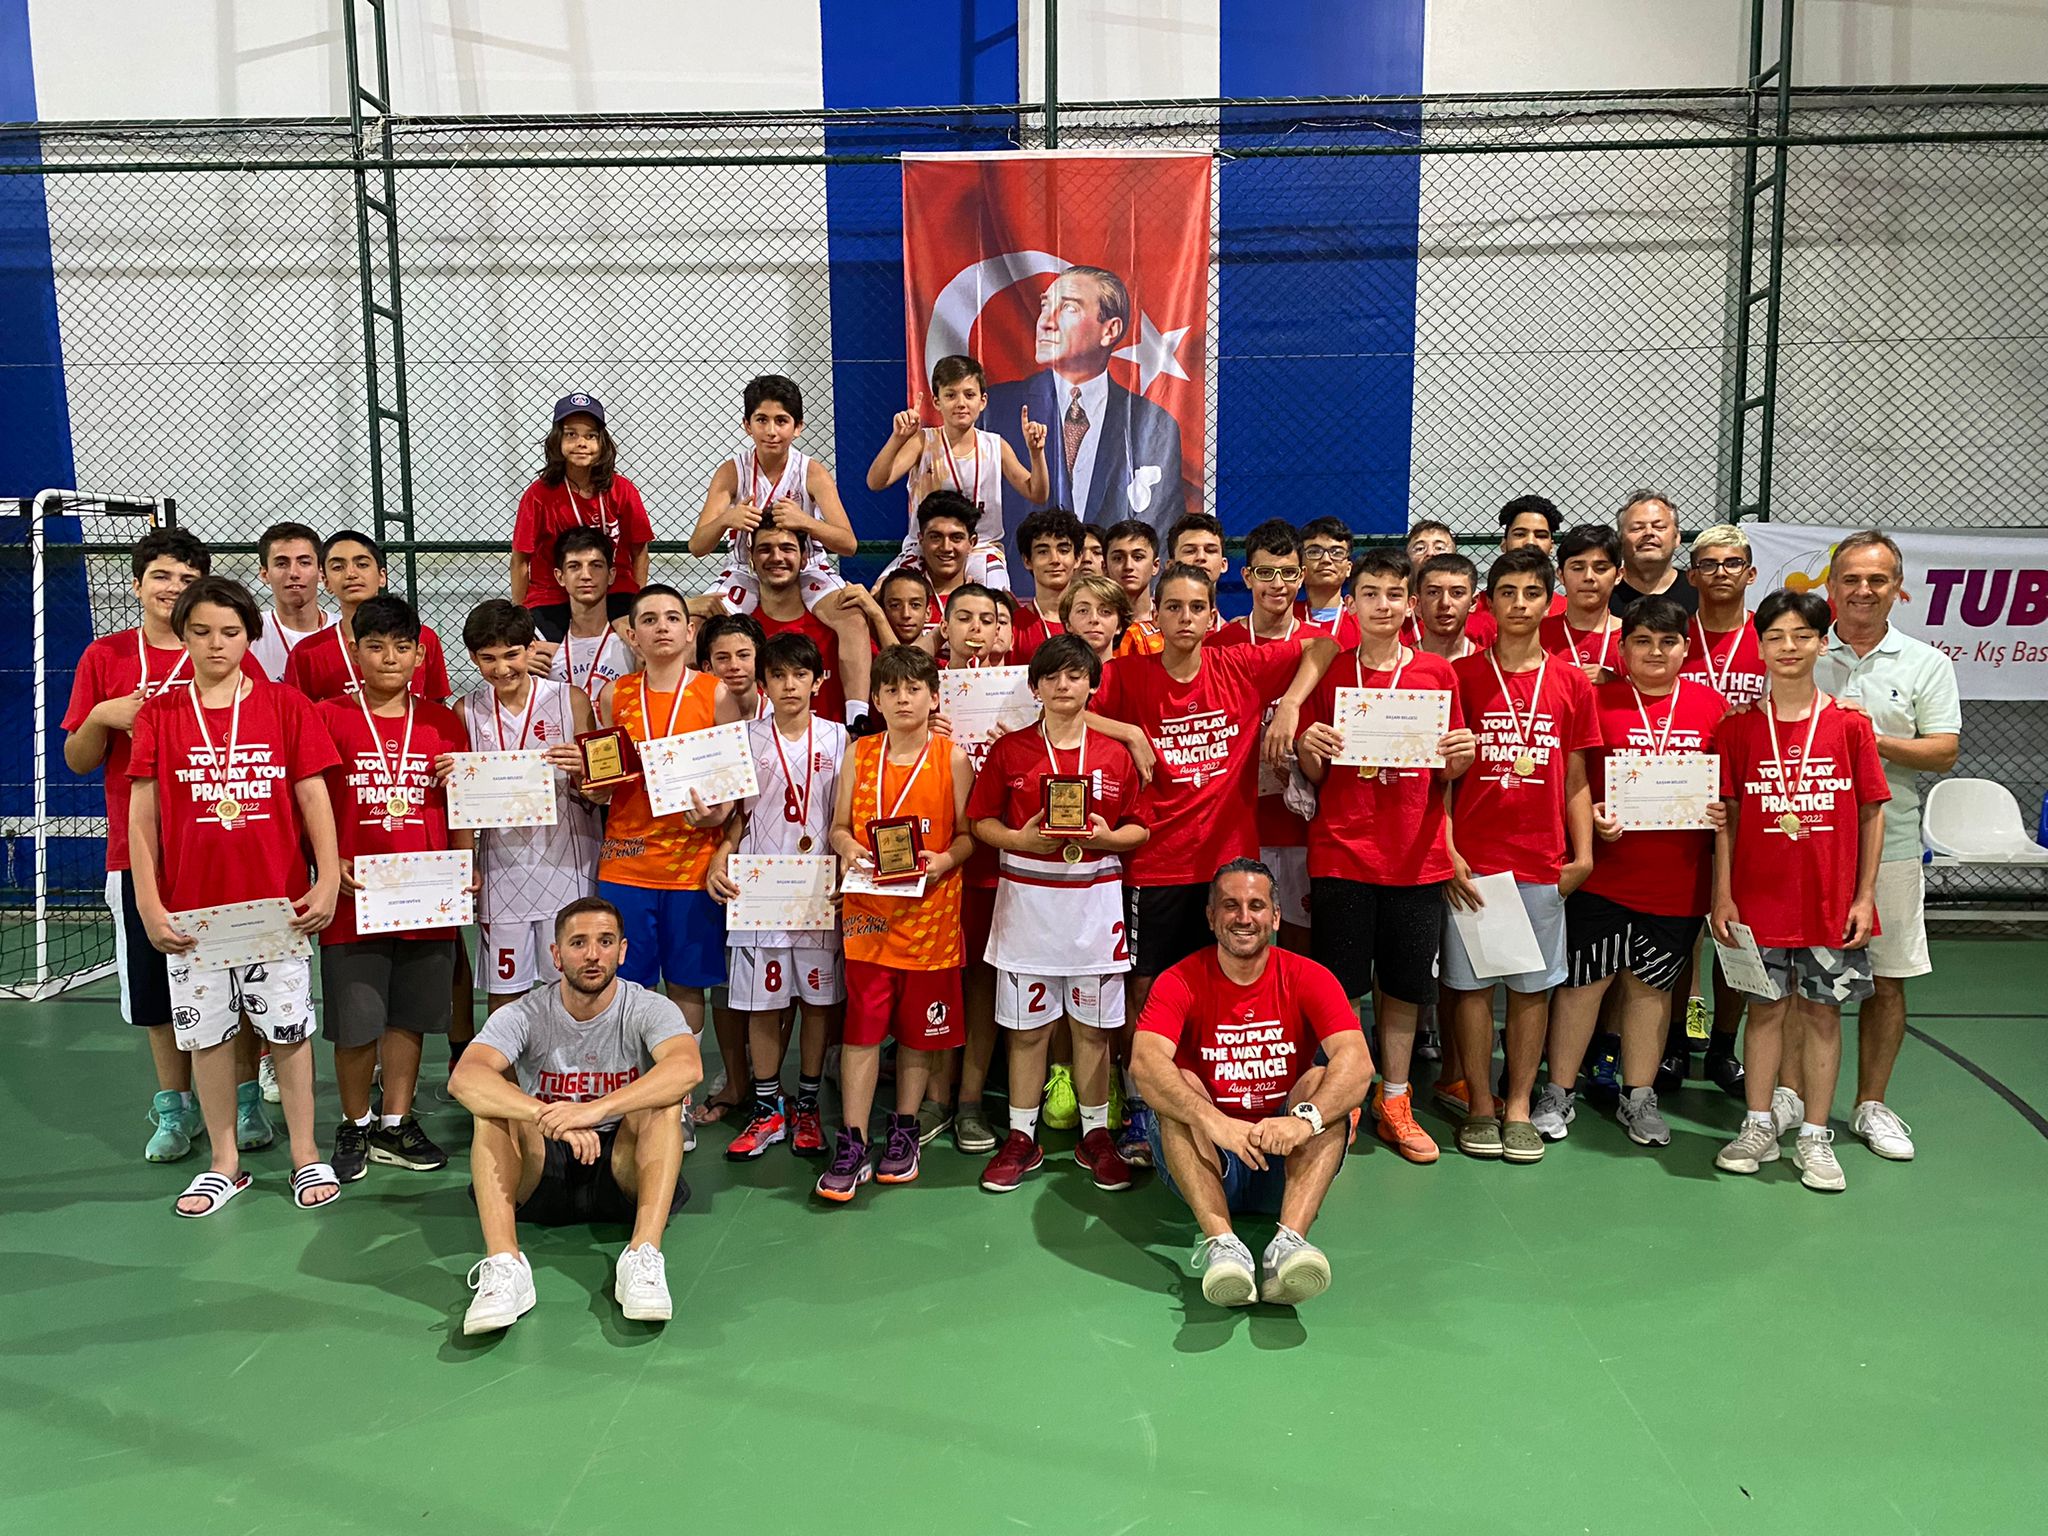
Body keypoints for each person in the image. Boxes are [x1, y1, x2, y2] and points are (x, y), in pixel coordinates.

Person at [1091, 562, 1336, 1165]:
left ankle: (1218, 1099)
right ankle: (1142, 1101)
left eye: (1196, 607)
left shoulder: (1240, 664)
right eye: (1172, 607)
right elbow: (1060, 708)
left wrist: (1288, 706)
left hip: (1228, 866)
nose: (1184, 618)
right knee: (1147, 986)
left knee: (1226, 985)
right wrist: (1130, 732)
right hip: (1155, 860)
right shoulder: (1126, 674)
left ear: (1211, 615)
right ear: (1155, 615)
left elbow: (1325, 645)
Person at [128, 576, 343, 1216]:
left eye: (229, 632)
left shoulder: (285, 705)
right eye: (201, 632)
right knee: (208, 1039)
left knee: (289, 1032)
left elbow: (314, 797)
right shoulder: (160, 715)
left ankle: (305, 1153)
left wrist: (327, 877)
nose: (215, 644)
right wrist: (149, 904)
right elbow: (142, 819)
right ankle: (224, 1162)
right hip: (193, 914)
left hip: (276, 907)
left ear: (250, 635)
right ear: (183, 636)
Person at [64, 528, 267, 1161]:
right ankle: (175, 1109)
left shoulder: (227, 650)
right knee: (157, 991)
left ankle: (246, 1101)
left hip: (226, 851)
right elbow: (78, 760)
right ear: (137, 584)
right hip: (141, 856)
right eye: (162, 576)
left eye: (187, 578)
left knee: (241, 980)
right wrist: (102, 715)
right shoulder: (105, 656)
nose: (173, 588)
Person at [1295, 548, 1475, 1165]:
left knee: (1402, 986)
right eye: (1370, 594)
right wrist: (1310, 746)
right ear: (1352, 602)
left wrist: (1460, 757)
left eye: (1394, 594)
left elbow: (1448, 770)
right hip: (1342, 853)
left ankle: (1394, 1098)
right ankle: (1344, 1098)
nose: (1382, 605)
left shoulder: (1436, 674)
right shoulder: (1331, 672)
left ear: (1411, 604)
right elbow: (1314, 774)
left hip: (1415, 856)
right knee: (1342, 987)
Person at [1532, 596, 1729, 1147]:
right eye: (1642, 641)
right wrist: (1592, 818)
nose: (1655, 652)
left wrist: (1721, 810)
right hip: (1604, 877)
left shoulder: (1712, 707)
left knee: (1651, 991)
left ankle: (1639, 1097)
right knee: (1581, 986)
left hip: (1677, 881)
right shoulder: (1596, 700)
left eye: (1668, 642)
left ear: (1686, 649)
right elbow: (1572, 780)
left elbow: (1728, 784)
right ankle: (1559, 1091)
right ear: (1622, 649)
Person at [453, 897, 701, 1334]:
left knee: (663, 1101)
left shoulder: (648, 1007)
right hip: (543, 1165)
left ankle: (643, 1255)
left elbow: (688, 1068)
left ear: (622, 951)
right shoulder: (526, 1012)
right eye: (578, 943)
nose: (592, 955)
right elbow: (465, 1079)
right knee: (491, 1107)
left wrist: (594, 1110)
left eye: (605, 942)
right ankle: (505, 1265)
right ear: (556, 954)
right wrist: (547, 1115)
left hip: (621, 1166)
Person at [1132, 860, 1373, 1307]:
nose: (1244, 917)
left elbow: (1357, 1063)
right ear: (1211, 917)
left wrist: (1304, 1121)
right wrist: (1214, 1121)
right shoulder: (1178, 980)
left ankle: (1289, 1245)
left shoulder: (1309, 976)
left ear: (1276, 917)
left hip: (1285, 1159)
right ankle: (1222, 1245)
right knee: (1177, 1087)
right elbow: (1145, 1064)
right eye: (1230, 905)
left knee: (1323, 1083)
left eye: (1256, 905)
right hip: (1208, 1160)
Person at [1712, 588, 1888, 1192]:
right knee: (1762, 1014)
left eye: (1802, 636)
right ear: (1760, 647)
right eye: (1776, 637)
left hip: (1828, 904)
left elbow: (1872, 812)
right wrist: (1723, 894)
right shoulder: (1737, 731)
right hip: (1757, 903)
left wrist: (1864, 896)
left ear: (1821, 644)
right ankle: (1758, 1124)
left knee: (1821, 1015)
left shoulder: (1850, 726)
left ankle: (1814, 1135)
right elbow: (1727, 819)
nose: (1788, 647)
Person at [964, 634, 1148, 1192]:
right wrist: (1019, 839)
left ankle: (1096, 1136)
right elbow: (979, 822)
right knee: (1027, 1033)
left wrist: (1108, 838)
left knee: (1092, 1032)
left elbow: (1140, 828)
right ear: (1035, 686)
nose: (1063, 685)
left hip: (1094, 912)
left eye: (1075, 675)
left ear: (1092, 685)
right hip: (1027, 911)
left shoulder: (1114, 753)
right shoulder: (1010, 750)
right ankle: (1022, 1137)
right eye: (1052, 676)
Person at [1443, 548, 1599, 1164]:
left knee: (1532, 991)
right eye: (1506, 592)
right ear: (1488, 602)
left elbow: (1577, 777)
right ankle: (1481, 1105)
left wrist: (1583, 855)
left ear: (1548, 600)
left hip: (1541, 861)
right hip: (1475, 861)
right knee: (1474, 990)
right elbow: (1443, 776)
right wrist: (1448, 849)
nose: (1518, 604)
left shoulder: (1570, 682)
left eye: (1531, 593)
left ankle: (1517, 1106)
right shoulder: (1461, 677)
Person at [1813, 530, 1960, 1163]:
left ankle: (1871, 1103)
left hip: (1891, 844)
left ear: (1897, 588)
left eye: (1877, 579)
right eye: (1851, 579)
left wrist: (1867, 738)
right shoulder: (1803, 652)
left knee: (1888, 980)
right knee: (1795, 981)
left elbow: (1943, 750)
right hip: (1805, 846)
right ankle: (1791, 1096)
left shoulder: (1926, 663)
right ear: (1831, 586)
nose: (1863, 590)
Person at [317, 595, 471, 1182]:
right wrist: (327, 863)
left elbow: (461, 803)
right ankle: (354, 1123)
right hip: (354, 895)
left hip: (427, 894)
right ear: (354, 651)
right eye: (376, 646)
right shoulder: (328, 717)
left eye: (402, 647)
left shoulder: (443, 722)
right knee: (358, 1021)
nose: (389, 658)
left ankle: (394, 1122)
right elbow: (308, 802)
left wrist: (464, 864)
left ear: (419, 655)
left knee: (409, 1016)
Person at [819, 645, 975, 1202]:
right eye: (892, 689)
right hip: (869, 918)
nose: (903, 698)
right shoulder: (859, 754)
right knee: (861, 1033)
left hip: (931, 916)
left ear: (934, 697)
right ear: (877, 699)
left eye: (914, 689)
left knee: (916, 1034)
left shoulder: (952, 758)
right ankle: (853, 1138)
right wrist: (847, 848)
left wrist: (944, 860)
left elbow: (968, 836)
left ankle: (905, 1128)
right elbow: (838, 828)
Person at [704, 631, 847, 1161]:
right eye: (779, 675)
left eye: (800, 675)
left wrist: (845, 873)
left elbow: (847, 816)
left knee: (816, 1002)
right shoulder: (742, 738)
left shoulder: (839, 739)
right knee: (762, 1004)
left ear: (818, 681)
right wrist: (720, 853)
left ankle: (806, 1104)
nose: (790, 685)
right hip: (758, 887)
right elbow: (734, 815)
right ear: (763, 682)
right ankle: (768, 1108)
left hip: (818, 887)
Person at [593, 587, 733, 1039]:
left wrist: (717, 815)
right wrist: (592, 786)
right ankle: (634, 1075)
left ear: (690, 631)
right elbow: (603, 778)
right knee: (629, 984)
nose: (662, 627)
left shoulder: (716, 693)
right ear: (633, 636)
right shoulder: (613, 695)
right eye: (649, 620)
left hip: (692, 866)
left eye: (672, 618)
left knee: (686, 984)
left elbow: (732, 784)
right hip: (626, 862)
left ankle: (682, 1081)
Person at [458, 599, 602, 1018]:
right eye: (488, 658)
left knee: (575, 982)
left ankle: (577, 1060)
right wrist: (466, 860)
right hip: (502, 868)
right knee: (506, 991)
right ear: (473, 658)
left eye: (512, 654)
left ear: (530, 649)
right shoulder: (465, 710)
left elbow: (601, 790)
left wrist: (584, 770)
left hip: (569, 860)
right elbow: (461, 801)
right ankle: (508, 1062)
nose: (502, 668)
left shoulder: (570, 700)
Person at [987, 266, 1189, 544]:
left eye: (1069, 308)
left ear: (1110, 330)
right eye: (1045, 306)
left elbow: (1164, 528)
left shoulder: (1154, 424)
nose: (1046, 322)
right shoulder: (997, 408)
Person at [1676, 523, 1767, 1095]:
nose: (1721, 573)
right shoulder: (1672, 634)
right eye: (1708, 564)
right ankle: (1682, 1030)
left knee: (1735, 928)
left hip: (1749, 802)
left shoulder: (1768, 637)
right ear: (1692, 576)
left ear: (1751, 573)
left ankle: (1724, 1046)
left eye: (1732, 563)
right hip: (1677, 801)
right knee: (1680, 928)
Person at [1214, 518, 1316, 950]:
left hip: (1299, 824)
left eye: (1289, 573)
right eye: (1265, 572)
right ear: (1246, 576)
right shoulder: (1221, 644)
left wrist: (1290, 707)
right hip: (1239, 822)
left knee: (1299, 941)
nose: (1278, 584)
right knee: (1239, 937)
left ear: (1302, 576)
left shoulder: (1321, 645)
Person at [690, 373, 857, 617]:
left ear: (797, 427)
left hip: (806, 568)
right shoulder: (731, 472)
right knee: (699, 620)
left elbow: (849, 545)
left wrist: (806, 522)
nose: (771, 431)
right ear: (747, 425)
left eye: (781, 421)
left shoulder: (812, 472)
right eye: (761, 420)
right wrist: (726, 520)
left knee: (854, 619)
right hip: (745, 570)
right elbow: (697, 546)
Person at [871, 354, 1049, 574]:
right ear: (937, 402)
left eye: (969, 395)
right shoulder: (923, 442)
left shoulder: (995, 446)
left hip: (981, 548)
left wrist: (1036, 453)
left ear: (982, 401)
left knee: (995, 592)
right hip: (925, 548)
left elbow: (1037, 494)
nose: (961, 403)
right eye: (951, 395)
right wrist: (897, 438)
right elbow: (876, 482)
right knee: (885, 589)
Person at [510, 393, 653, 642]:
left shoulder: (622, 490)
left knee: (634, 642)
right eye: (571, 434)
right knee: (542, 654)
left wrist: (639, 602)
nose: (581, 443)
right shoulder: (538, 495)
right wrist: (519, 616)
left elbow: (640, 552)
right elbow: (520, 560)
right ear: (557, 440)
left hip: (614, 589)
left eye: (590, 436)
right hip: (551, 594)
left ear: (602, 442)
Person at [284, 530, 452, 703]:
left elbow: (435, 705)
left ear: (382, 576)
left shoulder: (424, 638)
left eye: (362, 564)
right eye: (338, 567)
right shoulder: (306, 654)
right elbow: (295, 713)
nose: (351, 574)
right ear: (326, 582)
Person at [542, 528, 637, 702]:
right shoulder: (543, 646)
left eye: (596, 565)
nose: (586, 575)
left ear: (611, 575)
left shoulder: (632, 640)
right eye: (574, 566)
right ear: (560, 577)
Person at [248, 521, 336, 682]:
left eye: (304, 563)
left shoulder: (344, 629)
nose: (294, 573)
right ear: (265, 574)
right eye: (282, 564)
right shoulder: (249, 633)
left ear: (321, 572)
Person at [1540, 524, 1624, 684]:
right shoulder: (1537, 634)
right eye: (1577, 568)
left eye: (1601, 568)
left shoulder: (1635, 637)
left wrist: (1615, 682)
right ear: (1561, 575)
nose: (1588, 577)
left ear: (1619, 575)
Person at [1009, 506, 1083, 658]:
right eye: (1043, 552)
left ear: (1077, 559)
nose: (1055, 560)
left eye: (1063, 551)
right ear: (1027, 561)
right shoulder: (1012, 626)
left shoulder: (1093, 622)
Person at [1612, 490, 1698, 617]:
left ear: (1677, 537)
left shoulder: (1699, 592)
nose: (1649, 532)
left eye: (1659, 527)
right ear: (1620, 540)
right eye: (1637, 528)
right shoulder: (1604, 595)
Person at [1412, 552, 1494, 660]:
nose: (1445, 603)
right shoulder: (1400, 664)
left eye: (1457, 593)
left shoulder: (1490, 664)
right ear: (1418, 603)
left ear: (1473, 602)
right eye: (1433, 592)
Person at [1106, 518, 1164, 655]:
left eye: (1138, 557)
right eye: (1118, 558)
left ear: (1155, 566)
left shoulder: (1172, 619)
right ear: (1105, 567)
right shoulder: (1094, 623)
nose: (1128, 566)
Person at [1298, 517, 1358, 637]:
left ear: (1348, 568)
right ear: (1300, 565)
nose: (1326, 560)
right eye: (1314, 552)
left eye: (1337, 552)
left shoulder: (1366, 620)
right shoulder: (1284, 618)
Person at [1059, 572, 1131, 665]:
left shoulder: (1134, 673)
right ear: (1068, 623)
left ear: (1119, 625)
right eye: (1083, 611)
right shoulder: (1053, 672)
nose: (1094, 619)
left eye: (1105, 611)